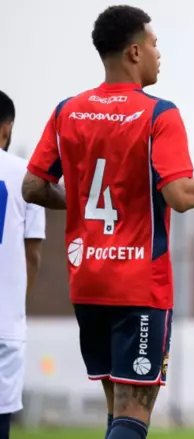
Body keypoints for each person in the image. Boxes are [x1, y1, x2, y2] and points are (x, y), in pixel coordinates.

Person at [21, 6, 194, 439]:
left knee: (117, 410)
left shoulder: (67, 112)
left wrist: (79, 202)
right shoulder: (158, 114)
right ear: (135, 52)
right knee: (134, 413)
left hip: (88, 280)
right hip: (138, 284)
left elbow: (33, 187)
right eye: (154, 44)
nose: (158, 54)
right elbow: (181, 196)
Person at [0, 91, 45, 439]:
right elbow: (33, 255)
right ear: (7, 127)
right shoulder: (27, 176)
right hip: (5, 324)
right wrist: (17, 305)